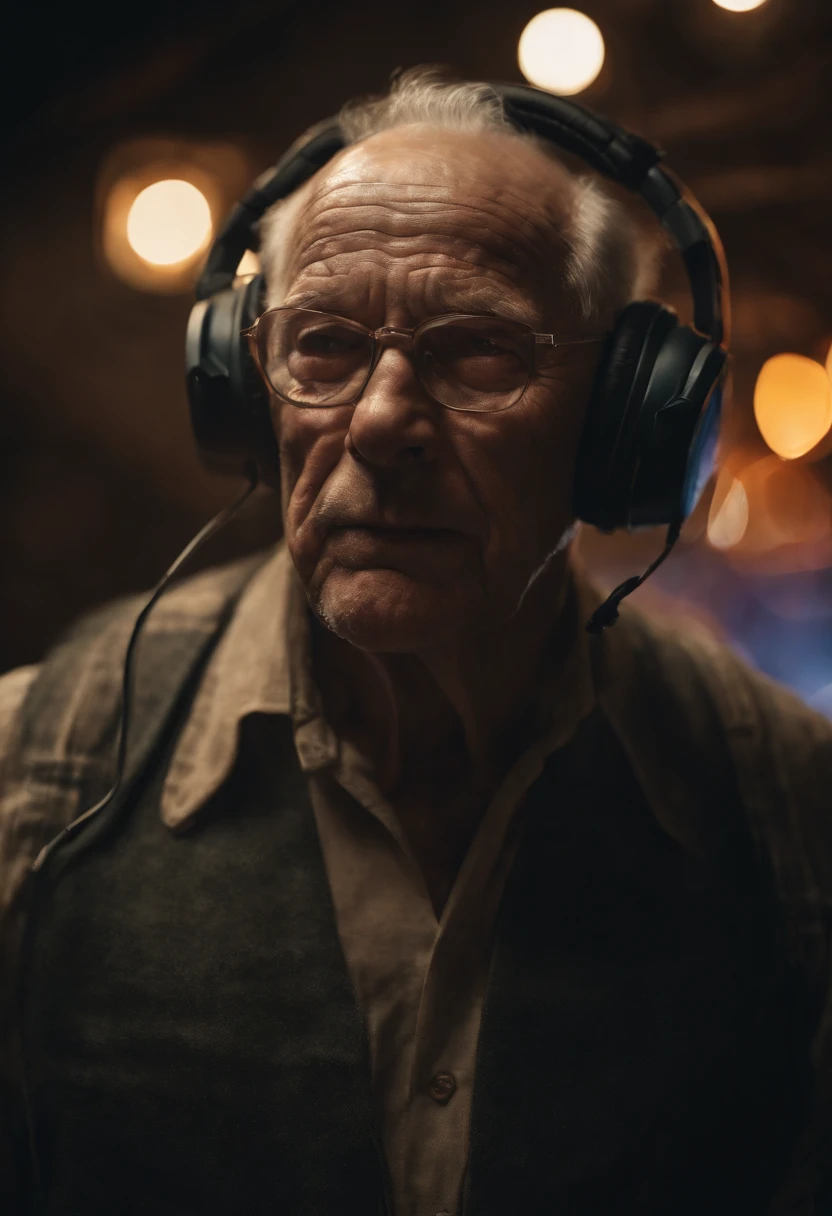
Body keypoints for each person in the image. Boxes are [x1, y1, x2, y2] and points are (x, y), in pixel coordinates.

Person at [1, 68, 831, 1215]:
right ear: (243, 389)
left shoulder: (785, 804)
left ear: (625, 422)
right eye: (323, 346)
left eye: (480, 351)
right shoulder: (31, 770)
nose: (381, 420)